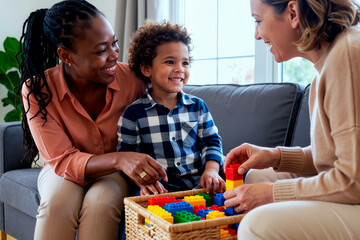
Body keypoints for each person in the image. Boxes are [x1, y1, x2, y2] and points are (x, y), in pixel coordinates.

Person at [17, 1, 167, 239]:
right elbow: (62, 160)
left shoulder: (135, 80)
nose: (114, 55)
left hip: (115, 173)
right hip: (62, 168)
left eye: (114, 43)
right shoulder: (38, 90)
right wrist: (119, 159)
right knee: (57, 203)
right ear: (66, 56)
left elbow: (170, 113)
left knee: (101, 204)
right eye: (101, 50)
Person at [223, 0, 360, 239]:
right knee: (258, 176)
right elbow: (333, 156)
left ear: (293, 12)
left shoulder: (347, 55)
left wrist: (272, 193)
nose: (256, 35)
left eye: (258, 20)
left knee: (257, 225)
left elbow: (352, 179)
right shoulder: (327, 63)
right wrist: (274, 156)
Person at [117, 21, 225, 196]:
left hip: (199, 183)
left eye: (185, 63)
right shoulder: (133, 114)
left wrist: (211, 170)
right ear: (146, 69)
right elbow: (130, 159)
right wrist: (144, 182)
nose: (179, 69)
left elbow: (211, 141)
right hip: (157, 188)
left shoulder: (198, 107)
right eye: (169, 62)